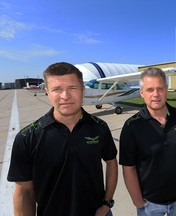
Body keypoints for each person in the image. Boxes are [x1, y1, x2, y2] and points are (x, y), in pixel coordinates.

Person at [7, 62, 118, 216]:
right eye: (57, 89)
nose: (65, 96)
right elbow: (24, 192)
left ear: (82, 90)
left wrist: (107, 203)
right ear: (47, 91)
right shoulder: (27, 137)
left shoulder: (100, 127)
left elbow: (112, 162)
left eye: (72, 88)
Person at [119, 67, 176, 216]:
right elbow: (128, 167)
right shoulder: (132, 126)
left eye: (160, 88)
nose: (156, 94)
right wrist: (138, 202)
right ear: (142, 93)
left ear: (167, 90)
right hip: (150, 204)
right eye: (150, 90)